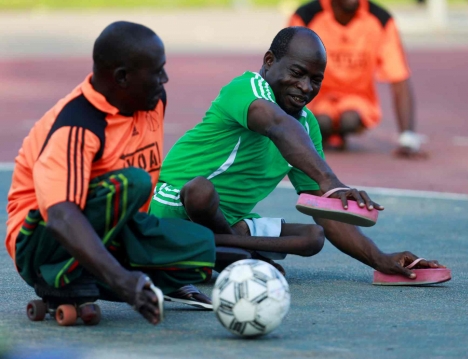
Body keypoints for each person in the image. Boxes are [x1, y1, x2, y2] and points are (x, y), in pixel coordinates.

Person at [149, 27, 441, 279]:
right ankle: (239, 256)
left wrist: (380, 259)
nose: (305, 87)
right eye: (297, 73)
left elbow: (327, 215)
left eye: (316, 80)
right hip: (174, 207)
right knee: (200, 191)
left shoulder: (305, 125)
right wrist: (331, 181)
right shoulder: (245, 88)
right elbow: (276, 125)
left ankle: (222, 250)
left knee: (313, 237)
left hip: (229, 225)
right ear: (269, 61)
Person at [5, 21, 215, 325]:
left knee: (202, 247)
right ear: (122, 77)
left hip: (113, 227)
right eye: (157, 71)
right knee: (134, 182)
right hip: (41, 241)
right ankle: (58, 276)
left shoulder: (152, 101)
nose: (165, 79)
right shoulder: (78, 124)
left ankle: (99, 273)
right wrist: (122, 281)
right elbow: (62, 216)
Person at [289, 0, 426, 157]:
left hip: (357, 100)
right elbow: (287, 70)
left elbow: (399, 77)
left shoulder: (380, 20)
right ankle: (327, 135)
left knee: (349, 120)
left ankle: (338, 134)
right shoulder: (306, 16)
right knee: (320, 122)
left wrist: (407, 138)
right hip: (315, 97)